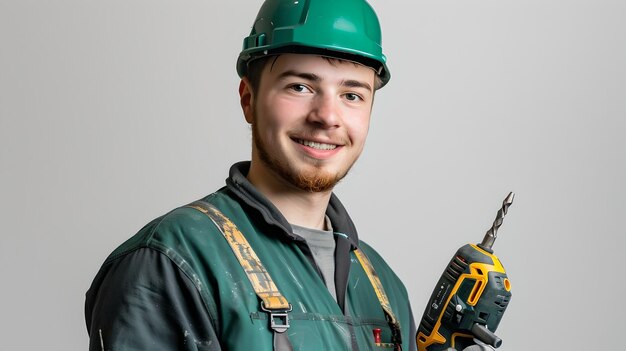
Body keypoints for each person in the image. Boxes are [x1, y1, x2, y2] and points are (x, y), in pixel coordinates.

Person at [85, 1, 493, 350]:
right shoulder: (172, 263)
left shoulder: (383, 287)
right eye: (300, 87)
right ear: (249, 99)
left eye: (352, 95)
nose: (327, 117)